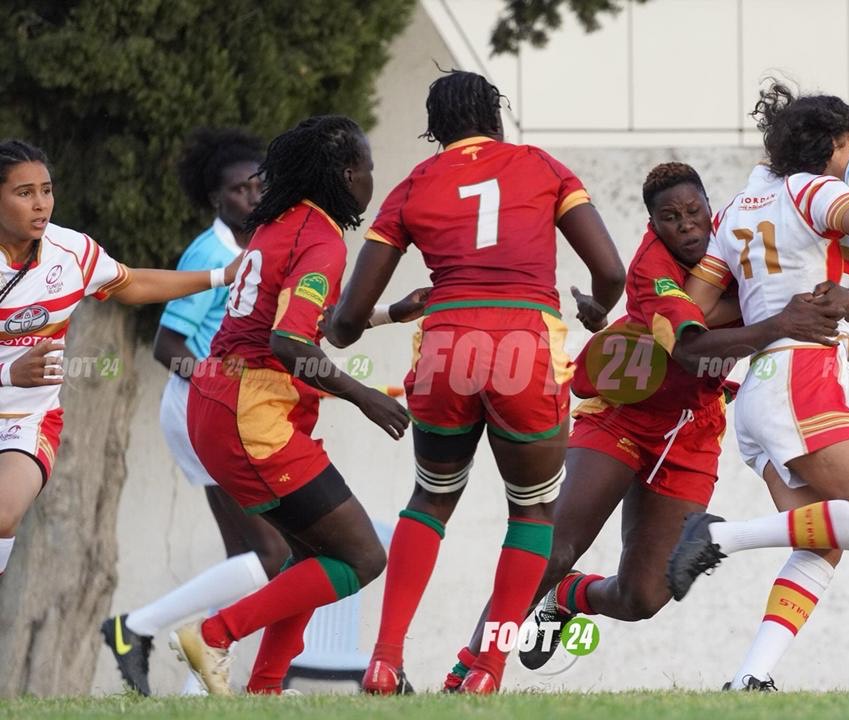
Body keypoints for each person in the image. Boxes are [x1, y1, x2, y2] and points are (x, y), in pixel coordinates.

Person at [443, 162, 849, 685]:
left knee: (641, 598)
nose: (686, 226)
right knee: (557, 546)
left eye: (694, 213)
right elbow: (689, 351)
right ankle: (475, 665)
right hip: (623, 415)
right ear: (652, 225)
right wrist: (779, 322)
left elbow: (812, 284)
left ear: (711, 209)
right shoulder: (651, 268)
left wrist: (847, 298)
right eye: (671, 217)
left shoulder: (736, 239)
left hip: (692, 431)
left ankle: (568, 596)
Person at [320, 69, 626, 695]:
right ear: (495, 116)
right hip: (526, 341)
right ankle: (488, 669)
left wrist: (367, 322)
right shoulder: (542, 166)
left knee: (430, 500)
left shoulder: (413, 186)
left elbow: (346, 323)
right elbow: (611, 271)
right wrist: (596, 310)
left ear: (435, 131)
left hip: (445, 342)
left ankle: (383, 661)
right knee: (535, 509)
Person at [668, 81, 849, 690]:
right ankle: (721, 534)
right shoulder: (811, 188)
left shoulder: (736, 211)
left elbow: (697, 310)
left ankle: (750, 678)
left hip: (760, 391)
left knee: (824, 539)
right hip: (800, 379)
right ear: (836, 145)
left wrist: (785, 294)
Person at [169, 115, 423, 696]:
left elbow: (312, 327)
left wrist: (392, 313)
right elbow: (289, 342)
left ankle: (264, 689)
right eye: (369, 168)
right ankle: (214, 633)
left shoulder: (281, 222)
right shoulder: (323, 239)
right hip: (248, 414)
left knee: (309, 556)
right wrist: (361, 397)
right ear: (346, 173)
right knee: (362, 557)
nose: (372, 180)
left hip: (224, 403)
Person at [101, 128, 294, 697]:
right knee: (273, 553)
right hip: (200, 413)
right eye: (239, 189)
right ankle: (134, 626)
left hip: (228, 413)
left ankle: (195, 689)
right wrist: (224, 387)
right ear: (216, 199)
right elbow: (169, 347)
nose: (254, 195)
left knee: (247, 557)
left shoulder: (260, 249)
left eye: (261, 183)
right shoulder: (210, 254)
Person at [0, 138, 245, 581]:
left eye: (46, 190)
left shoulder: (70, 252)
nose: (41, 204)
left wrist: (220, 276)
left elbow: (134, 285)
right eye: (24, 193)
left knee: (2, 515)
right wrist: (8, 371)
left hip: (26, 417)